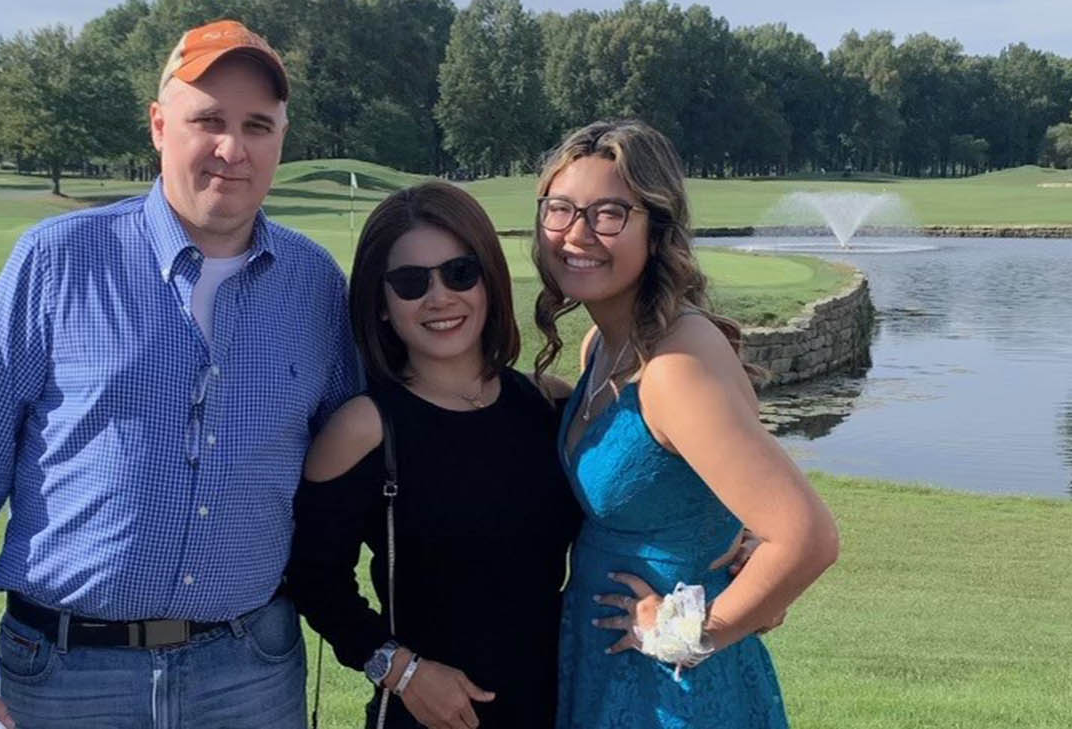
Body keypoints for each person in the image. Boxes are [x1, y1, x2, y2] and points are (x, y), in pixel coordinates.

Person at [0, 20, 359, 729]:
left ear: (280, 141)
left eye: (257, 126)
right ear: (158, 125)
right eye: (208, 120)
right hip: (64, 674)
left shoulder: (315, 284)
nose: (232, 149)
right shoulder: (57, 260)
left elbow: (361, 460)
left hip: (249, 671)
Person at [532, 119, 840, 728]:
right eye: (561, 209)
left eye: (610, 213)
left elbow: (807, 538)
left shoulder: (674, 367)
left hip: (673, 687)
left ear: (658, 228)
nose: (578, 234)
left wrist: (690, 634)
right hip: (610, 666)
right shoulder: (604, 342)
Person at [285, 181, 582, 729]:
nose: (439, 297)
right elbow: (312, 578)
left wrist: (738, 543)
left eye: (460, 273)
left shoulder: (549, 404)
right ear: (379, 303)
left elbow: (621, 520)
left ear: (489, 279)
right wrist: (401, 672)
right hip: (432, 715)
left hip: (560, 702)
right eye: (410, 282)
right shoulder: (365, 427)